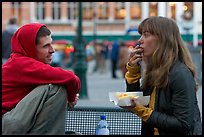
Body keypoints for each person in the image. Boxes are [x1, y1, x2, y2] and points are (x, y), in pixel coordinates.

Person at [120, 16, 202, 135]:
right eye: (141, 35)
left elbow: (183, 124)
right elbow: (139, 102)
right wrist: (133, 72)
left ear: (163, 39)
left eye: (146, 35)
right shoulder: (155, 71)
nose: (140, 40)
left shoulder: (180, 74)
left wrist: (142, 111)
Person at [2, 23, 81, 135]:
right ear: (30, 48)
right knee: (55, 88)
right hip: (6, 125)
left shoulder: (18, 62)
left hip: (12, 122)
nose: (52, 50)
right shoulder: (22, 64)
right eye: (45, 46)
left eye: (51, 44)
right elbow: (72, 78)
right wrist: (72, 98)